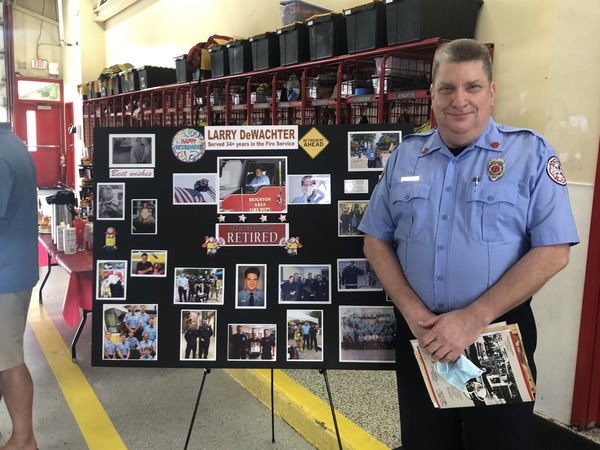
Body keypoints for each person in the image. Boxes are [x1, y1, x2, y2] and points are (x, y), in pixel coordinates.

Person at [358, 39, 579, 450]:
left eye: (472, 87)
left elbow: (553, 252)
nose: (459, 100)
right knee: (426, 443)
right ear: (432, 94)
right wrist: (412, 311)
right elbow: (375, 239)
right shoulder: (405, 157)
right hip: (421, 336)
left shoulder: (529, 153)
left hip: (495, 336)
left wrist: (473, 318)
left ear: (491, 91)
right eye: (447, 88)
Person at [1, 123, 40, 450]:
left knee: (8, 360)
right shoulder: (12, 142)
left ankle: (24, 440)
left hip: (3, 278)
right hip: (14, 270)